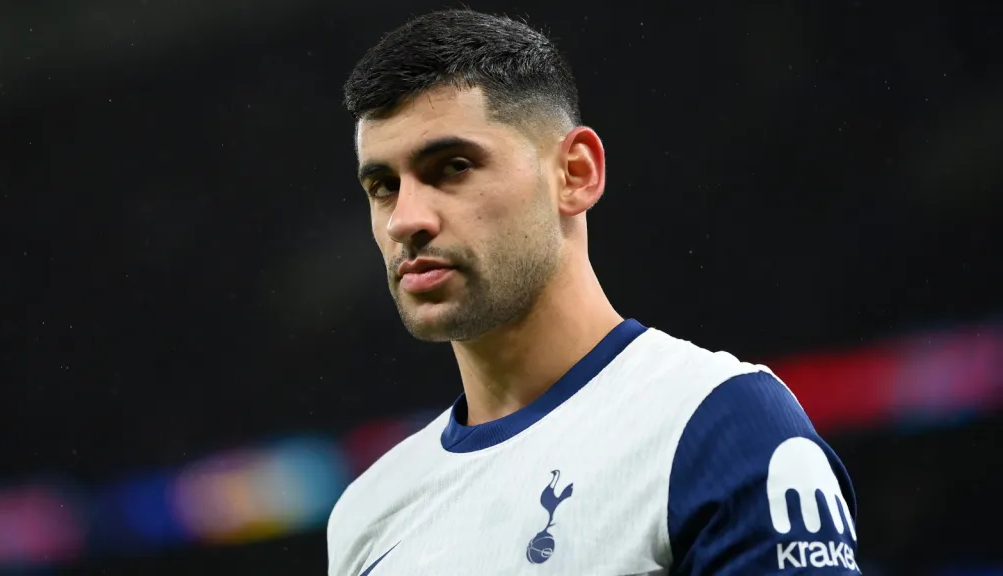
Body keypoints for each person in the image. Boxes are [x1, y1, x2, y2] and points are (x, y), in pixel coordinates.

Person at [328, 8, 860, 575]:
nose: (404, 220)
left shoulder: (715, 424)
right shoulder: (368, 514)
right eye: (383, 186)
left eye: (453, 167)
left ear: (575, 174)